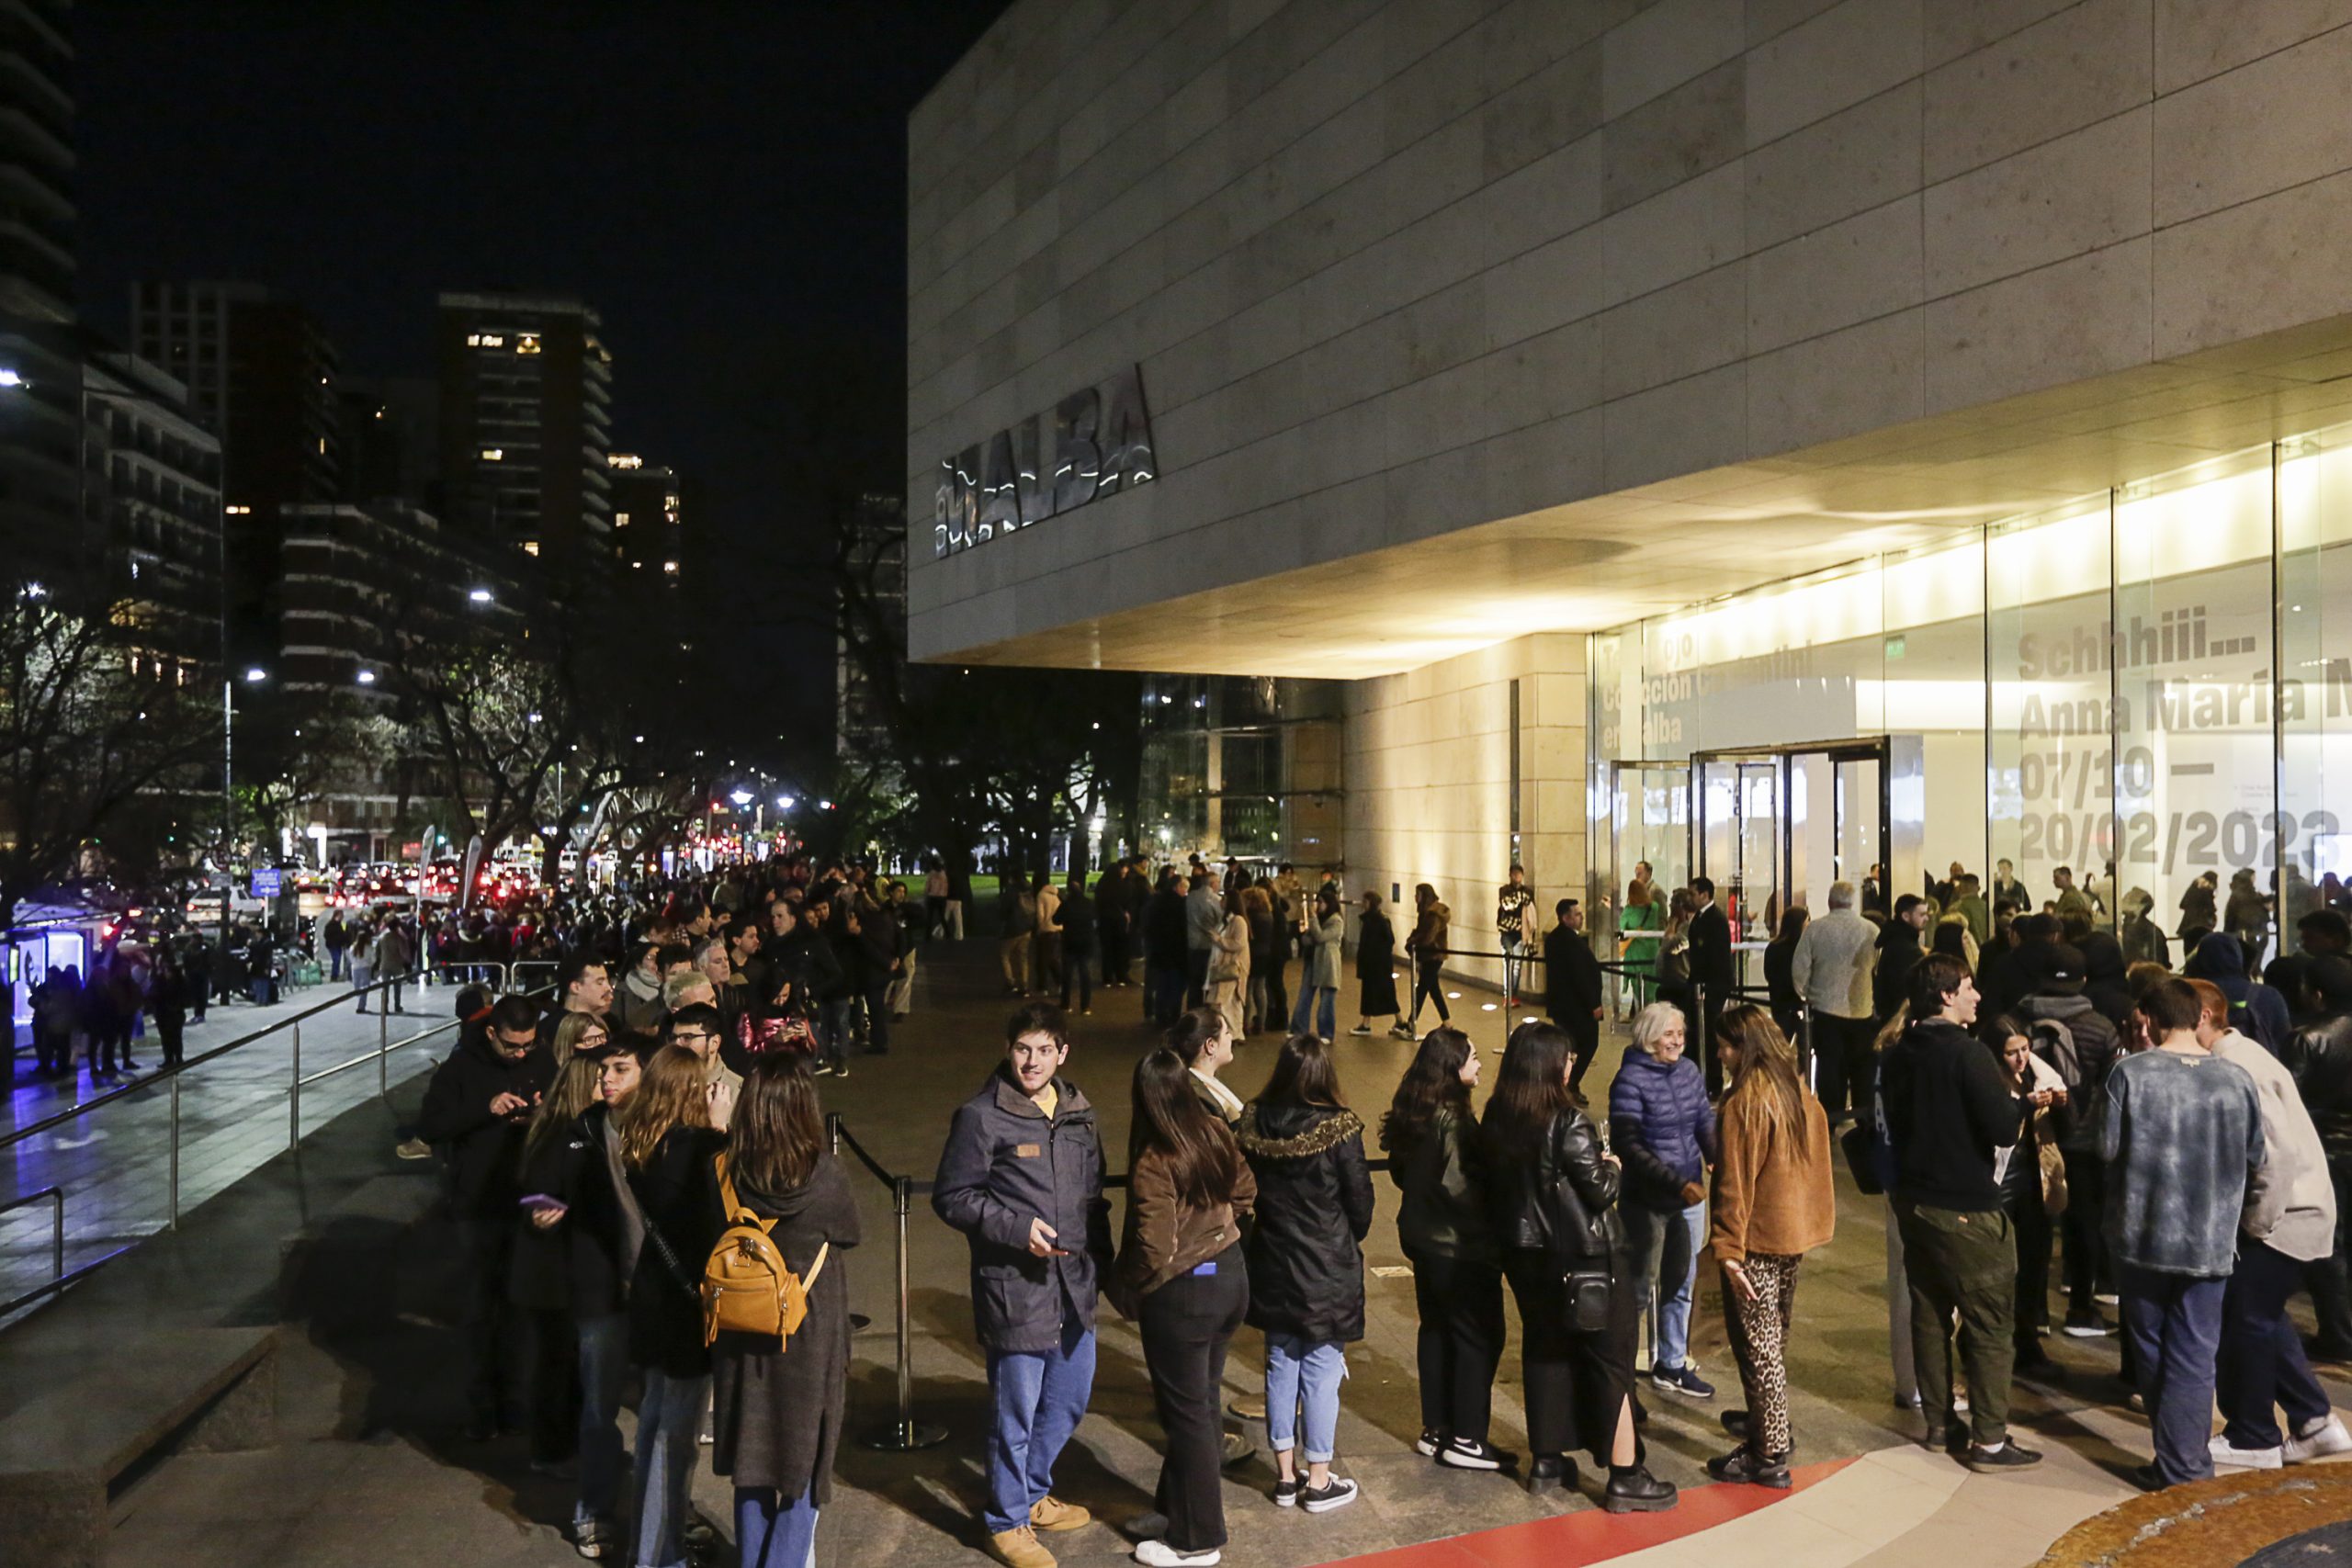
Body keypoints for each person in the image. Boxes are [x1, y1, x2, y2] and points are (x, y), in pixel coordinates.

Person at [933, 1003, 1111, 1568]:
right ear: (1009, 1050)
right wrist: (1014, 1229)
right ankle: (1005, 1520)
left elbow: (1093, 1199)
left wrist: (1102, 1267)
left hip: (1074, 1286)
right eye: (1021, 1049)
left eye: (1043, 1050)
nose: (1031, 1061)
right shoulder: (982, 1116)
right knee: (1016, 1411)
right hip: (1016, 1287)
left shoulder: (1079, 1112)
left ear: (1062, 1053)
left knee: (1068, 1399)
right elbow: (953, 1196)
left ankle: (1033, 1493)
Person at [1485, 1021, 1677, 1512]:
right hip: (1587, 1260)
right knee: (1611, 1360)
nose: (1573, 1064)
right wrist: (1611, 1164)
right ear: (1552, 1064)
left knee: (1545, 1352)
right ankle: (1625, 1475)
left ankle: (1546, 1461)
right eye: (1567, 1058)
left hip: (1527, 1259)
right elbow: (1600, 1192)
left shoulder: (1499, 1116)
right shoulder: (1566, 1120)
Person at [2100, 978, 2265, 1490]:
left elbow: (2105, 1149)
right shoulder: (2237, 1080)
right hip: (2211, 1239)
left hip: (2142, 1236)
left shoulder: (2129, 1073)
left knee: (2151, 1347)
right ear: (2199, 1018)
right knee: (2195, 1353)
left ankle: (2180, 1464)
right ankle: (2183, 1461)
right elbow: (2257, 1156)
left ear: (2147, 1020)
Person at [1881, 953, 2041, 1471]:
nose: (1977, 996)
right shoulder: (1967, 1055)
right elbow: (1999, 1129)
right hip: (1966, 1207)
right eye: (1969, 987)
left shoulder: (1899, 1049)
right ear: (1947, 995)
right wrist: (2026, 1105)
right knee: (1991, 1323)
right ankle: (1990, 1440)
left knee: (1929, 1313)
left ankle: (1938, 1424)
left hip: (1913, 1202)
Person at [710, 1056, 863, 1568]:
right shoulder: (824, 1175)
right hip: (808, 1328)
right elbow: (849, 1233)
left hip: (742, 1326)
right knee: (803, 1462)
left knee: (753, 1462)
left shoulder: (726, 1168)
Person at [2194, 979, 2352, 1470]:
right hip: (2293, 1209)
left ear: (2200, 1017)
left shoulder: (2237, 1066)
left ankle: (2253, 1436)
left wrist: (2257, 1225)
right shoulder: (2245, 1057)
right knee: (2260, 1316)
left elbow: (2275, 1156)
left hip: (2286, 1214)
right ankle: (2313, 1421)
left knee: (2247, 1320)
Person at [1112, 1047, 1258, 1568]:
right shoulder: (1212, 1130)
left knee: (1190, 1417)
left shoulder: (1156, 1156)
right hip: (1229, 1277)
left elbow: (1154, 1245)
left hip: (1184, 1297)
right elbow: (1246, 1191)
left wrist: (1125, 1284)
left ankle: (1196, 1539)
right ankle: (1175, 1509)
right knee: (1199, 1403)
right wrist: (1217, 1229)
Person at [1236, 1035, 1373, 1513]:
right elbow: (1361, 1207)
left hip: (1272, 1260)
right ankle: (1318, 1481)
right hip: (1326, 1268)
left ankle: (1285, 1477)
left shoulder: (1253, 1122)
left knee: (1280, 1365)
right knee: (1321, 1371)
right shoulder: (1340, 1129)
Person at [1706, 1005, 1835, 1488]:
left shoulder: (1746, 1102)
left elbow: (1734, 1184)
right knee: (1774, 1336)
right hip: (1793, 1234)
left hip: (1758, 1239)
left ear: (1746, 1048)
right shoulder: (1797, 1091)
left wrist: (1728, 1248)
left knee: (1760, 1346)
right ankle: (1766, 1421)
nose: (1720, 1055)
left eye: (1726, 1046)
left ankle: (1770, 1452)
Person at [416, 994, 553, 1442]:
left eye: (527, 1046)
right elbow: (431, 1126)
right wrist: (485, 1109)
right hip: (478, 1204)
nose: (520, 1054)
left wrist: (539, 1109)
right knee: (480, 1309)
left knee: (520, 1308)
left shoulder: (541, 1058)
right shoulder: (460, 1068)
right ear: (492, 1033)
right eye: (512, 1046)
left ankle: (516, 1402)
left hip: (525, 1198)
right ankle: (482, 1406)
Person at [618, 1044, 728, 1568]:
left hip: (651, 1296)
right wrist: (722, 1130)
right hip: (686, 1308)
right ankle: (660, 1555)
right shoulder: (701, 1147)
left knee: (653, 1424)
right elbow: (721, 1215)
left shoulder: (641, 1143)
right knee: (676, 1437)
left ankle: (649, 1544)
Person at [1380, 1027, 1506, 1470]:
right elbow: (1461, 1188)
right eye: (1472, 1057)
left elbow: (1401, 1172)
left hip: (1420, 1237)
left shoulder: (1414, 1107)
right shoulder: (1453, 1117)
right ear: (1453, 1067)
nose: (1479, 1063)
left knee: (1435, 1330)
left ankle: (1437, 1429)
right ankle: (1469, 1438)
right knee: (1478, 1337)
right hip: (1458, 1247)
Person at [2012, 942, 2122, 1338]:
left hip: (2032, 1141)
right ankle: (2079, 1309)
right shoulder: (2100, 1026)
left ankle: (2035, 1313)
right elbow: (2111, 1087)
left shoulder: (2016, 1022)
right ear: (2084, 981)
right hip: (2082, 1141)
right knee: (2083, 1226)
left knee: (2034, 1231)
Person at [1610, 1001, 1718, 1401]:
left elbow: (1703, 1119)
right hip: (1649, 1201)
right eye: (1669, 1034)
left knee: (1682, 1281)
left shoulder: (1689, 1071)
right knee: (1639, 1287)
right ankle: (1617, 1371)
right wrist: (1676, 1183)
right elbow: (1629, 1145)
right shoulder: (1629, 1080)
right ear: (1649, 1037)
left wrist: (1714, 1154)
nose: (1677, 1042)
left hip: (1689, 1196)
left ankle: (1672, 1363)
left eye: (1681, 1034)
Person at [1979, 1013, 2071, 1373]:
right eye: (2011, 1052)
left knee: (2034, 1266)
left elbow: (2066, 1129)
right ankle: (1984, 1350)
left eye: (2025, 1049)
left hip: (2035, 1183)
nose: (2021, 1058)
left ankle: (2028, 1343)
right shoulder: (1986, 1080)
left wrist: (2062, 1105)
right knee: (1996, 1272)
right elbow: (1997, 1128)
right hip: (1998, 1183)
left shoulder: (2039, 1074)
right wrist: (2026, 1104)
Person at [1792, 881, 1879, 1123]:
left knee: (1830, 1069)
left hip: (1825, 1009)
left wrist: (1806, 994)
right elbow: (1877, 968)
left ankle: (1830, 1119)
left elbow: (1799, 969)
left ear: (1830, 901)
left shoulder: (1816, 929)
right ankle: (1864, 1118)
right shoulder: (1870, 930)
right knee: (1862, 1069)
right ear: (1853, 902)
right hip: (1862, 1009)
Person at [2185, 932, 2292, 1055]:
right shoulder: (2268, 996)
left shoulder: (2189, 995)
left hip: (2205, 1068)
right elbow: (2285, 1043)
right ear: (2239, 957)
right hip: (2255, 1067)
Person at [1544, 899, 1605, 1100]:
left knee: (1569, 1045)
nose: (1581, 917)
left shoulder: (1555, 939)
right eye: (1577, 914)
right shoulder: (1570, 942)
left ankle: (1565, 1083)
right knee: (1588, 1043)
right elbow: (1580, 976)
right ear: (1565, 917)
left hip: (1562, 1006)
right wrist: (1594, 1004)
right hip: (1576, 1007)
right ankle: (1569, 1083)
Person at [1685, 877, 1735, 1091]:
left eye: (1694, 893)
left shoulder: (1715, 919)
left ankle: (1713, 1081)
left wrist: (1707, 985)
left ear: (1705, 895)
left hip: (1712, 985)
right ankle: (1700, 1077)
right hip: (1699, 984)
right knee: (1698, 1032)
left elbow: (1715, 957)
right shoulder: (1700, 918)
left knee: (1710, 1034)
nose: (1691, 898)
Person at [1290, 886, 1342, 1041]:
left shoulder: (1336, 921)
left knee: (1327, 999)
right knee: (1304, 996)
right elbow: (1306, 938)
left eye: (1321, 902)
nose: (1318, 906)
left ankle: (1326, 1032)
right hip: (1313, 961)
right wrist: (1312, 933)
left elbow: (1320, 936)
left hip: (1328, 964)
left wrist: (1312, 919)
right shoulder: (1319, 920)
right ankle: (1298, 1028)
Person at [1403, 883, 1452, 1041]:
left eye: (1417, 894)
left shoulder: (1432, 915)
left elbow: (1427, 936)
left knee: (1422, 988)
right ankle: (1447, 1023)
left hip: (1433, 956)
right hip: (1431, 955)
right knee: (1433, 989)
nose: (1415, 898)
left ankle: (1412, 1022)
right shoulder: (1427, 913)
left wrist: (1412, 942)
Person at [1143, 871, 1191, 1026]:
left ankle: (1160, 1014)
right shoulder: (1181, 905)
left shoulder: (1156, 902)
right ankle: (1173, 1016)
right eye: (1185, 887)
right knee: (1176, 987)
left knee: (1162, 985)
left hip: (1159, 952)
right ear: (1178, 887)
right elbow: (1183, 929)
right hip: (1177, 953)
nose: (1186, 891)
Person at [1354, 891, 1403, 1038]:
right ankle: (1397, 1020)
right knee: (1383, 993)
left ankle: (1367, 1024)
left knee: (1375, 993)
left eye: (1365, 901)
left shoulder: (1377, 921)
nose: (1363, 904)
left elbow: (1387, 941)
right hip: (1377, 964)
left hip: (1376, 965)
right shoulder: (1375, 920)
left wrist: (1372, 956)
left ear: (1370, 903)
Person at [1205, 888, 1250, 1042]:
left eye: (1223, 899)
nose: (1220, 902)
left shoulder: (1238, 921)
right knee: (1225, 1002)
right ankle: (1233, 1033)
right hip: (1224, 966)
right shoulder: (1227, 920)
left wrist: (1218, 940)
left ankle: (1235, 1033)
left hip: (1233, 967)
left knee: (1228, 1001)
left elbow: (1239, 944)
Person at [1242, 884, 1284, 1040]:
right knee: (1260, 989)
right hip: (1265, 954)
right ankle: (1261, 1021)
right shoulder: (1268, 915)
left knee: (1247, 989)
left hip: (1252, 954)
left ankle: (1245, 1023)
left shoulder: (1251, 916)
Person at [1762, 906, 1806, 1049]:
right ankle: (1801, 1070)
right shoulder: (1801, 947)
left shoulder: (1773, 947)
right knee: (1804, 1045)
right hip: (1797, 1003)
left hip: (1779, 1002)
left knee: (1780, 1045)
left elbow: (1768, 973)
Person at [1056, 872, 1098, 1017]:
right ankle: (1085, 1006)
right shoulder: (1088, 903)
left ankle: (1065, 1003)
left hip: (1070, 942)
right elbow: (1095, 919)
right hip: (1086, 943)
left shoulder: (1067, 904)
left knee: (1067, 975)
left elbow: (1056, 919)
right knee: (1085, 975)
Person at [1619, 870, 1661, 1012]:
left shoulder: (1629, 911)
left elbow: (1622, 928)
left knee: (1638, 988)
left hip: (1635, 953)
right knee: (1651, 987)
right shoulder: (1654, 907)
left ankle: (1641, 1016)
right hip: (1652, 951)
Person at [1183, 869, 1223, 1011]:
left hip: (1193, 943)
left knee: (1193, 981)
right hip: (1208, 944)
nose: (1219, 884)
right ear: (1213, 884)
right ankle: (1204, 1013)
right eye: (1218, 881)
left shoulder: (1191, 896)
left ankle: (1192, 1010)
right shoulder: (1216, 900)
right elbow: (1220, 921)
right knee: (1207, 982)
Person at [1497, 865, 1534, 1007]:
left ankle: (1514, 995)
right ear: (1510, 875)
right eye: (1514, 874)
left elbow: (1529, 905)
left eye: (1519, 874)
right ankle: (1508, 996)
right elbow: (1507, 905)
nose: (1517, 877)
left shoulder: (1527, 891)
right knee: (1508, 964)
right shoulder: (1504, 890)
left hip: (1520, 932)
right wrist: (1520, 899)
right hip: (1506, 932)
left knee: (1517, 966)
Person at [1000, 875, 1038, 997]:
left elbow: (1004, 910)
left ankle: (1010, 982)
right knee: (1023, 957)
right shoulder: (1028, 890)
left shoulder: (1012, 892)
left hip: (1013, 928)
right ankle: (1024, 986)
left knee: (1004, 954)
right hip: (1027, 927)